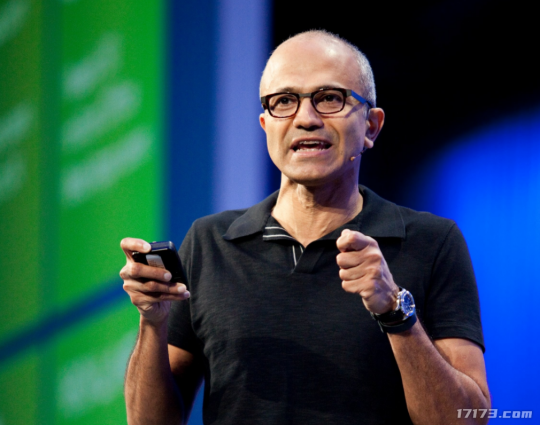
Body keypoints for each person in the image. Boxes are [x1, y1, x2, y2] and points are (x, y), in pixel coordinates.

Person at [121, 30, 490, 425]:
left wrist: (395, 313)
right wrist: (153, 322)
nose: (306, 119)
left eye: (330, 98)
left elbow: (467, 418)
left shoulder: (432, 242)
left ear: (371, 126)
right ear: (266, 125)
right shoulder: (209, 243)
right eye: (284, 101)